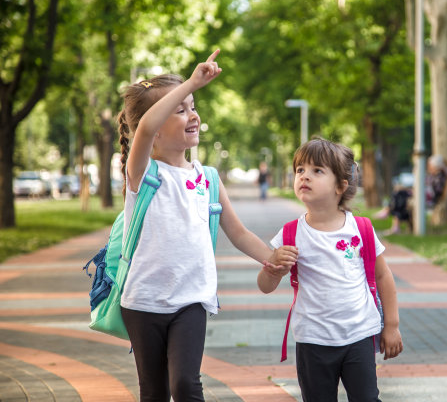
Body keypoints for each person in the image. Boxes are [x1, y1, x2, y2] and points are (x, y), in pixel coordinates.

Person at [116, 49, 297, 402]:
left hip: (192, 299)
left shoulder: (208, 179)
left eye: (193, 106)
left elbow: (240, 233)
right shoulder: (144, 174)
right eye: (179, 109)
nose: (192, 115)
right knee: (153, 392)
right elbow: (148, 125)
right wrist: (191, 82)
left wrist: (272, 258)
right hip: (144, 301)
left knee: (185, 384)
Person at [257, 138, 403, 402]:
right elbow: (265, 286)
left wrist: (391, 325)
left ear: (340, 186)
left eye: (317, 171)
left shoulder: (361, 229)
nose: (305, 176)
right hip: (313, 338)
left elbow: (383, 276)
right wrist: (273, 270)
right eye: (300, 170)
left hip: (358, 334)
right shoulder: (290, 233)